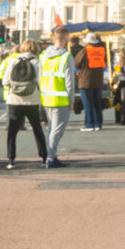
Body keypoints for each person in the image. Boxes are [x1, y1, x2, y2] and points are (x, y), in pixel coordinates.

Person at [0, 40, 47, 169]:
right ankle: (44, 157)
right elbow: (41, 81)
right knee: (37, 129)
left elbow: (5, 81)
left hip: (14, 101)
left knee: (12, 132)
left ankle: (11, 159)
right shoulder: (37, 63)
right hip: (32, 101)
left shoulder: (13, 61)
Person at [39, 26, 73, 165]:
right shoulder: (66, 57)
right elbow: (69, 81)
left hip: (46, 97)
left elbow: (39, 77)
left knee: (51, 129)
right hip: (61, 99)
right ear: (65, 39)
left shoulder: (43, 56)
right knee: (57, 130)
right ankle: (51, 158)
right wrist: (71, 100)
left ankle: (50, 155)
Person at [76, 33, 108, 131]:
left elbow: (76, 62)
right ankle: (98, 124)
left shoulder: (85, 50)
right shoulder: (102, 50)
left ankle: (89, 125)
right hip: (98, 80)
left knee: (88, 103)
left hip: (86, 80)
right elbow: (105, 62)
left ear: (87, 42)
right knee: (97, 103)